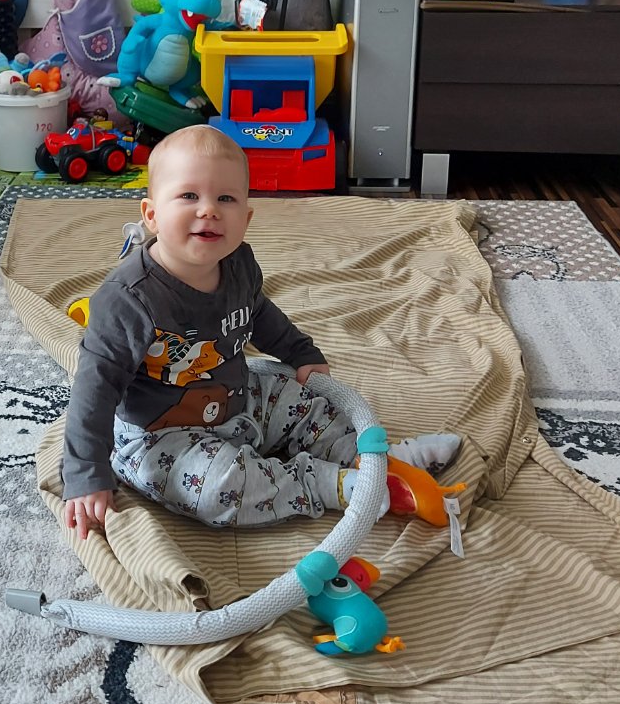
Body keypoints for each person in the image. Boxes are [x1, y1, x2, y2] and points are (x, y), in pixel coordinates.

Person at [62, 125, 459, 541]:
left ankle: (378, 462)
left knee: (307, 400)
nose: (209, 210)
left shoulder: (239, 264)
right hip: (161, 436)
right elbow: (94, 388)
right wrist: (86, 472)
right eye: (189, 196)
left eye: (226, 199)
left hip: (239, 395)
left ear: (246, 219)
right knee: (221, 490)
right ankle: (332, 485)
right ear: (152, 215)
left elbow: (259, 314)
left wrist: (300, 352)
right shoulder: (128, 300)